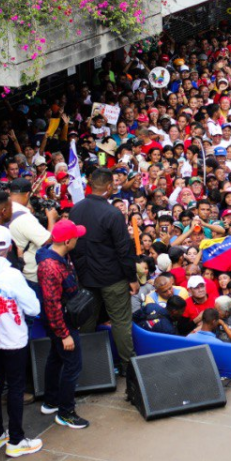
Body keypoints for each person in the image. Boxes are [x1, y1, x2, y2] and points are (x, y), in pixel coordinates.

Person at [0, 226, 43, 458]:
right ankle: (16, 440)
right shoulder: (12, 275)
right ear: (8, 247)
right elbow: (33, 307)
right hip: (13, 340)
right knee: (15, 388)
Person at [69, 168, 137, 380]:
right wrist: (132, 278)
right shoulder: (113, 213)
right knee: (121, 322)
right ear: (109, 187)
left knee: (87, 322)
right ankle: (128, 366)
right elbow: (123, 249)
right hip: (112, 278)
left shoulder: (76, 210)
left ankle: (85, 365)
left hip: (86, 277)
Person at [37, 219, 90, 429]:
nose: (78, 239)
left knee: (56, 358)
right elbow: (52, 304)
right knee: (72, 365)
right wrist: (64, 333)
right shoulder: (50, 267)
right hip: (61, 323)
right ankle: (66, 412)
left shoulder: (60, 256)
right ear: (67, 241)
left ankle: (51, 400)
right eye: (75, 236)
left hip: (61, 321)